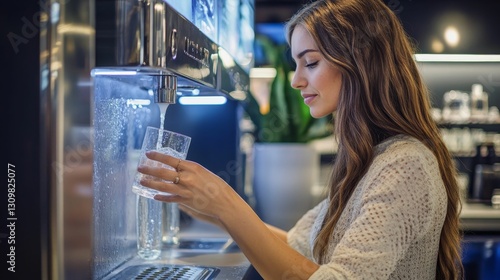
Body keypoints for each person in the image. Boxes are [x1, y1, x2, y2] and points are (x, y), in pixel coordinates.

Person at [137, 0, 464, 279]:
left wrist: (224, 201)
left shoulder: (404, 166)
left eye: (310, 62)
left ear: (361, 63)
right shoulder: (370, 160)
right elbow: (297, 245)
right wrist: (208, 208)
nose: (296, 80)